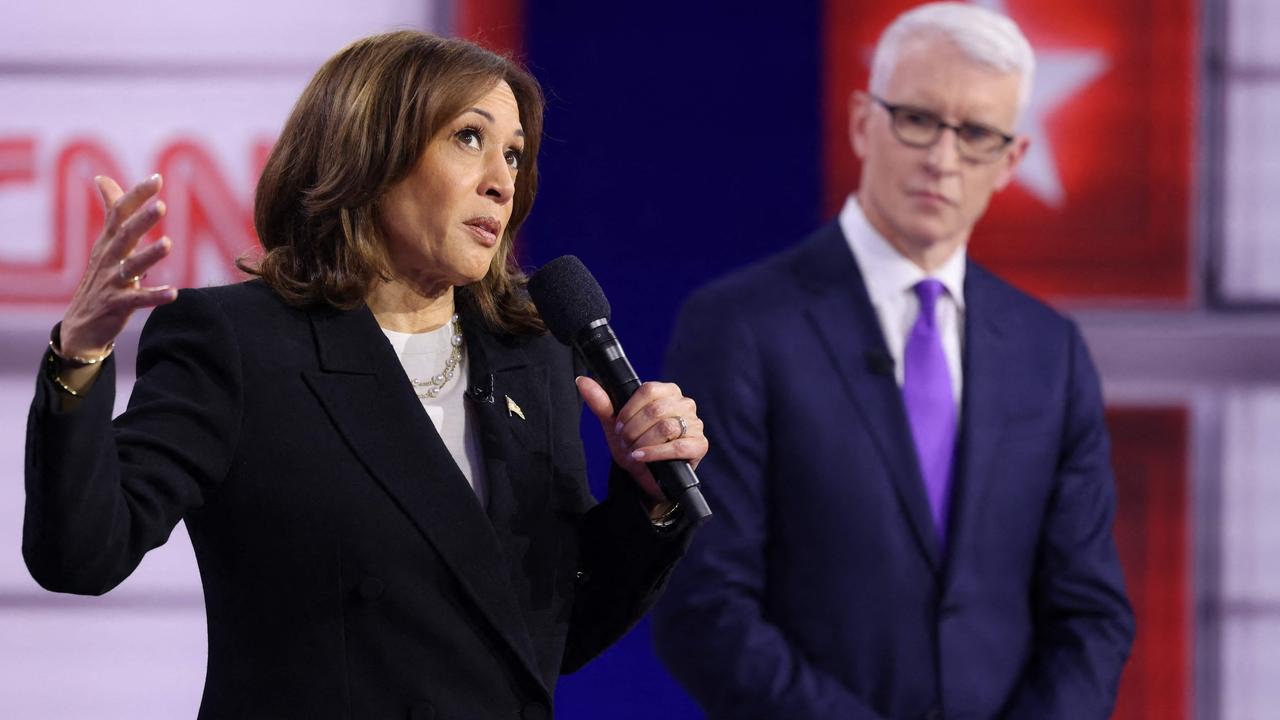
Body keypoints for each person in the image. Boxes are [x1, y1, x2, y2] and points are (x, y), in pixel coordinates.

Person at [23, 31, 707, 720]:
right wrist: (79, 357)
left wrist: (646, 502)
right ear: (371, 153)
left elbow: (538, 638)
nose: (502, 179)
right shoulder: (240, 344)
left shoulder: (529, 354)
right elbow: (81, 555)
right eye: (469, 137)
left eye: (514, 153)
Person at [652, 4, 1134, 719]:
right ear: (861, 122)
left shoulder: (1050, 353)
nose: (942, 157)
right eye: (917, 119)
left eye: (974, 134)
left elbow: (1090, 614)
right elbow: (704, 606)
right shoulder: (740, 325)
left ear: (1011, 160)